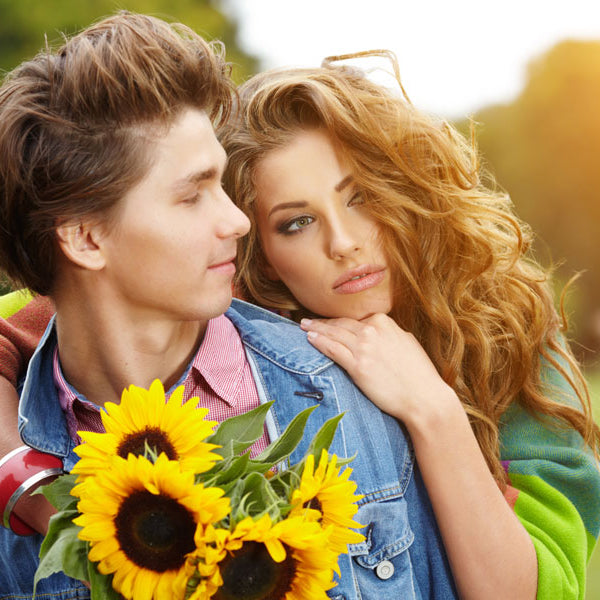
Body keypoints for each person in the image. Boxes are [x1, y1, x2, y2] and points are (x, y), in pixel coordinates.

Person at [0, 13, 456, 600]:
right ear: (85, 238)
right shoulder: (20, 450)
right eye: (193, 195)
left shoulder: (348, 396)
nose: (238, 220)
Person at [217, 53, 600, 600]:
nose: (343, 242)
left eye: (362, 197)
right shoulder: (233, 350)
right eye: (296, 222)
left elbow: (536, 591)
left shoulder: (509, 327)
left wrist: (433, 410)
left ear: (407, 187)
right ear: (260, 253)